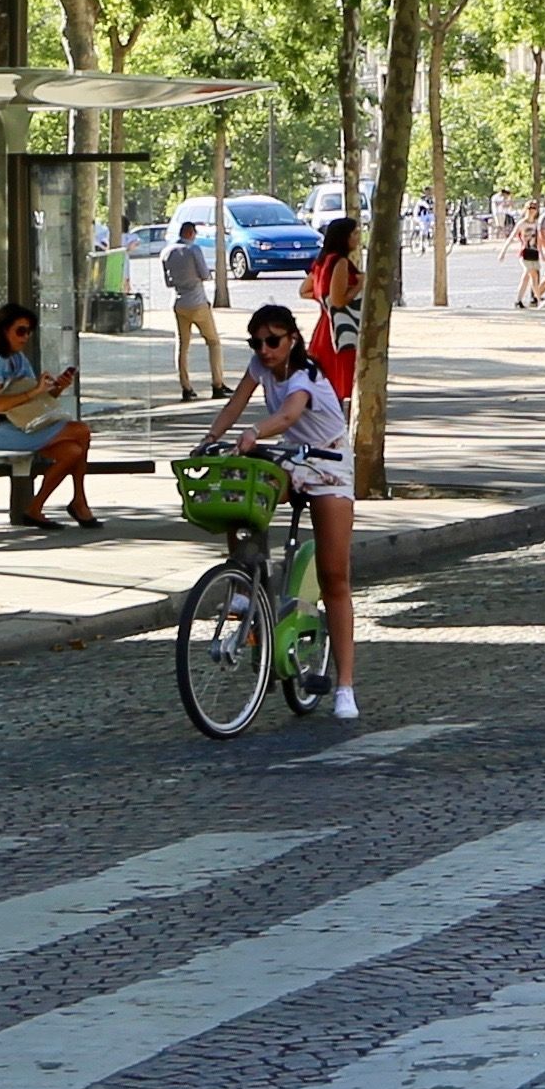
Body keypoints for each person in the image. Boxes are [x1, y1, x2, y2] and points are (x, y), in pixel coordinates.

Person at [201, 301, 366, 723]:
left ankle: (344, 684)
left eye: (272, 341)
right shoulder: (259, 368)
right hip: (294, 457)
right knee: (242, 490)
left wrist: (257, 431)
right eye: (257, 343)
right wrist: (210, 440)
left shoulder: (305, 375)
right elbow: (235, 404)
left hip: (328, 463)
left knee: (334, 577)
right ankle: (247, 575)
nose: (264, 350)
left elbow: (290, 413)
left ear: (292, 339)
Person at [0, 301, 97, 528]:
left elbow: (34, 399)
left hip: (24, 424)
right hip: (1, 428)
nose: (25, 337)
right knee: (81, 431)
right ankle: (79, 501)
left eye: (29, 331)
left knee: (72, 451)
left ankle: (35, 508)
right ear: (4, 330)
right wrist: (35, 391)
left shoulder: (18, 358)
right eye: (20, 331)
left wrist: (56, 388)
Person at [164, 216, 230, 400]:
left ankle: (186, 387)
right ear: (191, 233)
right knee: (213, 341)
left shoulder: (167, 252)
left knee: (183, 346)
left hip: (179, 302)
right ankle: (217, 383)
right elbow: (204, 274)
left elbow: (168, 282)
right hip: (198, 302)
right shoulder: (193, 250)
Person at [304, 214, 364, 399]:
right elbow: (338, 301)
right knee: (338, 385)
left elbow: (305, 290)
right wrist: (360, 285)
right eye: (354, 233)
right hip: (338, 330)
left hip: (323, 326)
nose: (358, 237)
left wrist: (323, 299)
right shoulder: (340, 262)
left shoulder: (323, 261)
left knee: (326, 385)